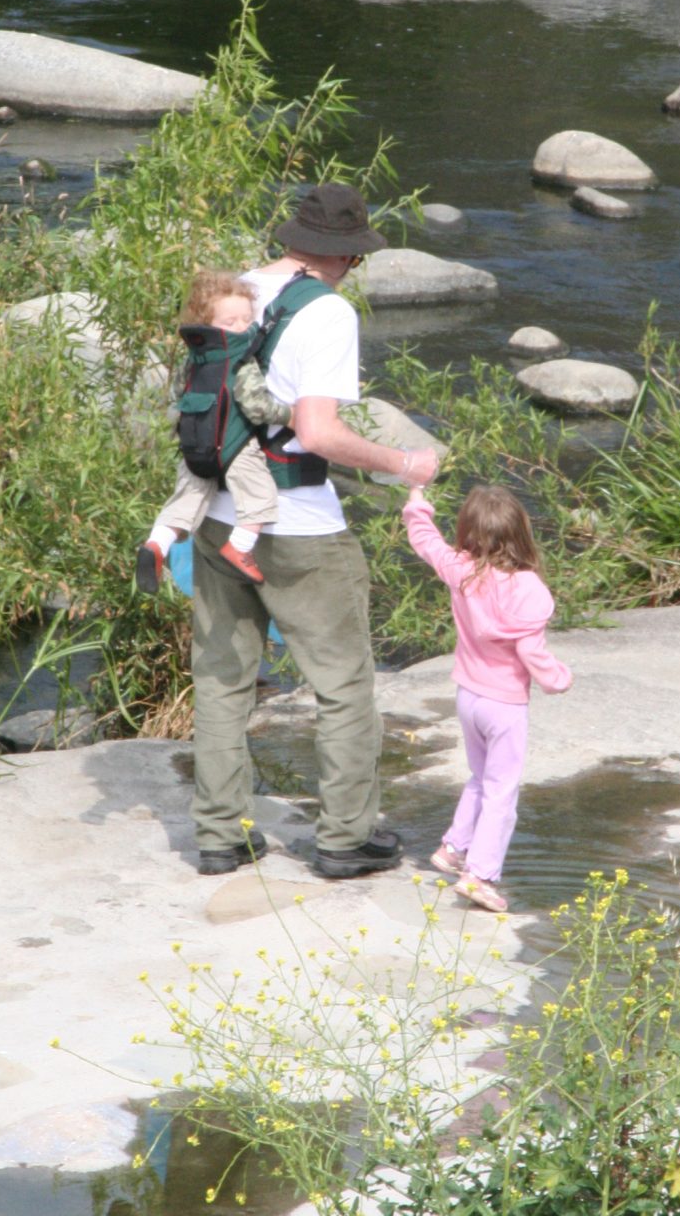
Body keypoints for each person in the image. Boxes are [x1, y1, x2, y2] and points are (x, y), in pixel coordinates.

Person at [191, 183, 440, 879]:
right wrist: (403, 463)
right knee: (343, 685)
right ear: (351, 255)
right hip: (299, 527)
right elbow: (318, 432)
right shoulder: (327, 311)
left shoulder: (237, 290)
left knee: (222, 681)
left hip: (219, 515)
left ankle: (219, 837)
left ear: (293, 237)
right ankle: (344, 840)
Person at [401, 482, 572, 913]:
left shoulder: (460, 570)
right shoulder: (528, 588)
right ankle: (480, 876)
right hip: (505, 705)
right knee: (501, 792)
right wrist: (557, 679)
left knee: (479, 778)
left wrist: (417, 501)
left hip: (468, 698)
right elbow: (531, 652)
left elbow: (426, 541)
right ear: (521, 533)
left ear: (468, 531)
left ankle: (454, 848)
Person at [135, 269, 291, 591]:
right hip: (235, 446)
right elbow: (257, 407)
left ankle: (156, 545)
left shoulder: (195, 357)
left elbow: (179, 392)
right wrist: (289, 415)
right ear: (208, 323)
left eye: (246, 319)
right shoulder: (241, 360)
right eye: (230, 321)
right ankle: (240, 547)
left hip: (194, 445)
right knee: (260, 496)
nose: (241, 327)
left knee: (186, 501)